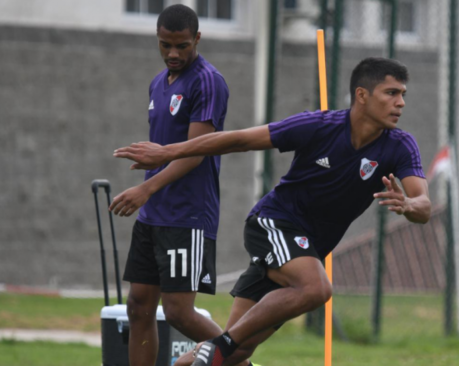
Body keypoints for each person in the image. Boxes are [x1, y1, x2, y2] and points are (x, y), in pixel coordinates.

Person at [114, 57, 432, 366]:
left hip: (304, 251)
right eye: (391, 93)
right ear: (361, 95)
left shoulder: (400, 145)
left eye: (403, 94)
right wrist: (167, 152)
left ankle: (211, 351)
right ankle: (220, 347)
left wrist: (408, 205)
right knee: (315, 288)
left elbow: (424, 206)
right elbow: (239, 140)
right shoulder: (318, 125)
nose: (400, 102)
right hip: (273, 224)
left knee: (233, 356)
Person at [108, 5, 258, 366]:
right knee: (139, 306)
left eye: (182, 46)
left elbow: (197, 153)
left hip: (187, 215)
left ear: (198, 39)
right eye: (165, 45)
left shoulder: (208, 81)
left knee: (177, 312)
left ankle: (242, 362)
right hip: (154, 214)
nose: (173, 54)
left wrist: (146, 189)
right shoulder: (158, 83)